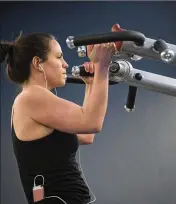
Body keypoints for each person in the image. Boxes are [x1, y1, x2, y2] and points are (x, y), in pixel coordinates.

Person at [0, 24, 124, 204]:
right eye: (59, 57)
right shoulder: (31, 98)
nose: (65, 64)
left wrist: (90, 84)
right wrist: (102, 66)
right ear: (37, 63)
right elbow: (92, 122)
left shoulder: (35, 100)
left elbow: (87, 134)